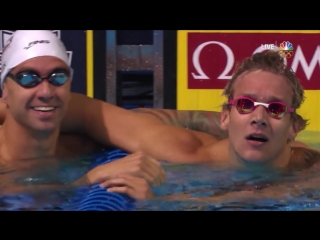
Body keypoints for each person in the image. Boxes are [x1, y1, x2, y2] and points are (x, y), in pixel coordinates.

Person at [1, 31, 318, 171]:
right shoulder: (188, 154)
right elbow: (89, 113)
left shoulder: (308, 171)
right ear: (225, 117)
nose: (259, 117)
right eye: (246, 106)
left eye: (275, 109)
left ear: (295, 127)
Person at [0, 30, 166, 200]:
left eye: (57, 77)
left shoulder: (79, 151)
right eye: (28, 78)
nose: (46, 92)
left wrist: (152, 201)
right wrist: (89, 179)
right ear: (5, 91)